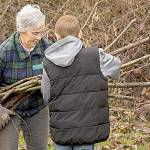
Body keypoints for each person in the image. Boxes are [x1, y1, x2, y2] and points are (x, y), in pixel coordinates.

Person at [41, 15, 121, 150]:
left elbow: (45, 95)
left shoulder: (48, 62)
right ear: (80, 33)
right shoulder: (96, 56)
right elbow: (116, 67)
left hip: (62, 129)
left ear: (55, 35)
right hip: (87, 129)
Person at [0, 4, 53, 150]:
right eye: (35, 33)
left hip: (38, 107)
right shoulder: (5, 51)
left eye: (42, 32)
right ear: (22, 30)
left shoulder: (47, 48)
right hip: (10, 109)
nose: (39, 37)